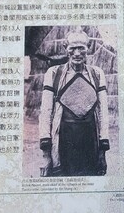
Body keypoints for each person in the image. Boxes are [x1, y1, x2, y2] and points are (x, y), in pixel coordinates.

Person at [39, 30, 110, 176]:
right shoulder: (53, 73)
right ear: (66, 48)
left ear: (88, 49)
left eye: (81, 48)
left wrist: (102, 153)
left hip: (90, 139)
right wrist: (46, 155)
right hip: (64, 139)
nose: (77, 53)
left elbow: (103, 113)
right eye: (72, 48)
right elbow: (45, 111)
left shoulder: (97, 74)